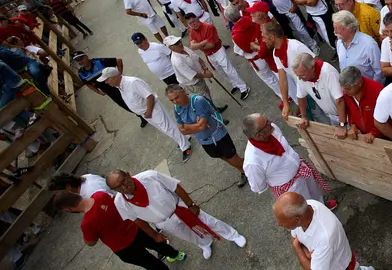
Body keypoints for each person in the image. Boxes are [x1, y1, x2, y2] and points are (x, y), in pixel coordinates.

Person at [107, 169, 246, 259]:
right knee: (189, 235)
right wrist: (154, 235)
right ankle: (205, 243)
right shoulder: (120, 202)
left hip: (180, 207)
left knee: (208, 222)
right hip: (164, 222)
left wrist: (190, 204)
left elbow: (176, 187)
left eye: (123, 181)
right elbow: (137, 220)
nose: (124, 187)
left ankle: (233, 235)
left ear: (128, 174)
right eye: (118, 187)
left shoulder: (150, 176)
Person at [53, 191, 187, 269]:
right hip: (135, 229)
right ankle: (176, 254)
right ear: (75, 194)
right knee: (156, 243)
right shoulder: (100, 195)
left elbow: (91, 242)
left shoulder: (87, 224)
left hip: (125, 247)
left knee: (149, 262)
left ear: (67, 209)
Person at [99, 67, 192, 162]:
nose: (106, 82)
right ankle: (184, 138)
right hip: (146, 112)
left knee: (168, 128)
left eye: (107, 79)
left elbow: (149, 96)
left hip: (152, 109)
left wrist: (148, 111)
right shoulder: (120, 86)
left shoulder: (133, 83)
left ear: (114, 77)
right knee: (165, 129)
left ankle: (185, 147)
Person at [242, 114, 333, 205]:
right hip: (291, 188)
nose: (271, 123)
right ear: (259, 135)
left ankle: (323, 206)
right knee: (306, 206)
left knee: (316, 194)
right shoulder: (252, 162)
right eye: (267, 124)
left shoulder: (272, 129)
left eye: (267, 120)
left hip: (302, 169)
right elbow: (258, 186)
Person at [166, 84, 247, 187]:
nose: (175, 102)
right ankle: (244, 171)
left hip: (218, 135)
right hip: (204, 141)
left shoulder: (198, 101)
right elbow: (182, 130)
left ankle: (252, 170)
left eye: (176, 97)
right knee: (225, 158)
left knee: (232, 158)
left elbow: (202, 126)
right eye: (172, 100)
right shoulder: (177, 108)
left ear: (183, 92)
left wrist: (188, 126)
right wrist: (196, 125)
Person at [273, 193, 368, 270]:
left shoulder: (325, 237)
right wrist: (306, 254)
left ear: (297, 219)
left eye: (282, 221)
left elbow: (296, 242)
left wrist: (297, 247)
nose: (279, 224)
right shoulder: (307, 206)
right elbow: (294, 237)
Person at [74, 51, 146, 128]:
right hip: (109, 92)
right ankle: (142, 116)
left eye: (81, 58)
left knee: (134, 98)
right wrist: (99, 92)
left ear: (86, 56)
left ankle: (147, 108)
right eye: (77, 60)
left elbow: (118, 60)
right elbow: (88, 84)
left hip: (118, 85)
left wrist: (119, 75)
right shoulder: (81, 73)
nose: (80, 61)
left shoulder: (99, 62)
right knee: (125, 105)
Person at [224, 4, 282, 99]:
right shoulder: (251, 18)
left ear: (229, 20)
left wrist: (255, 46)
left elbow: (246, 49)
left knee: (270, 79)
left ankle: (284, 96)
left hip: (256, 59)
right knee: (277, 73)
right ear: (238, 11)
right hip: (267, 51)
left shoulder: (235, 34)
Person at [186, 14, 250, 99]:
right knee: (221, 72)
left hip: (218, 51)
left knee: (228, 70)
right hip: (209, 54)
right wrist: (203, 43)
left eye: (193, 21)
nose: (192, 24)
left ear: (197, 19)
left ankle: (243, 88)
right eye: (190, 23)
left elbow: (211, 45)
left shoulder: (208, 27)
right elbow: (192, 46)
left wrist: (198, 45)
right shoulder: (192, 30)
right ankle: (235, 84)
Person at [165, 36, 227, 111]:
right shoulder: (177, 61)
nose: (179, 44)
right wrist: (207, 75)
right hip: (193, 84)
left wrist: (205, 68)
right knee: (204, 101)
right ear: (170, 48)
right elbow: (193, 75)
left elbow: (197, 58)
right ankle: (216, 116)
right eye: (176, 44)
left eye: (179, 41)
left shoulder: (184, 48)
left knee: (207, 95)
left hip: (199, 78)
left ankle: (214, 109)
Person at [292, 53, 345, 126]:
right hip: (332, 116)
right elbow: (301, 97)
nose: (300, 78)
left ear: (312, 68)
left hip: (346, 114)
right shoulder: (301, 77)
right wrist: (304, 116)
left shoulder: (328, 72)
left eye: (302, 75)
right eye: (298, 75)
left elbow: (340, 100)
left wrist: (343, 125)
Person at [333, 11, 383, 83]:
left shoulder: (369, 44)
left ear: (349, 28)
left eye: (337, 28)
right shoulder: (339, 42)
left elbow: (379, 72)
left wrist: (372, 89)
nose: (334, 31)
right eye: (334, 27)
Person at [338, 66, 384, 142]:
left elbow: (387, 118)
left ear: (359, 83)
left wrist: (374, 132)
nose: (345, 92)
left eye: (348, 89)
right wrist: (353, 125)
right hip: (362, 135)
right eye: (344, 88)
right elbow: (351, 111)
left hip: (382, 137)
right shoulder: (348, 94)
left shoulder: (377, 91)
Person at [48, 172, 113, 198]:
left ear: (68, 187)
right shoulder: (85, 177)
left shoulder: (90, 194)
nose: (57, 196)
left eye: (57, 192)